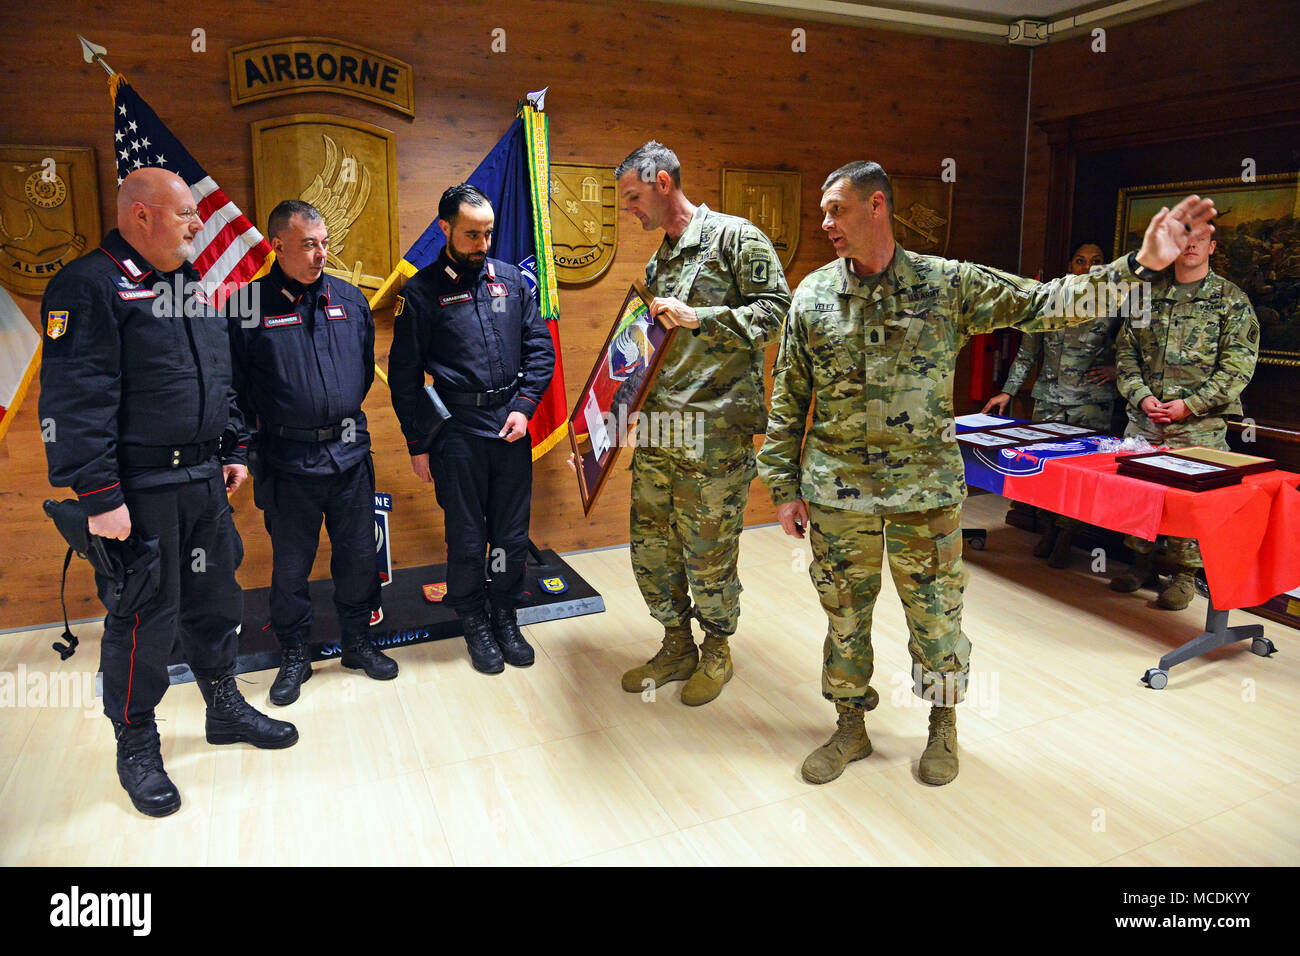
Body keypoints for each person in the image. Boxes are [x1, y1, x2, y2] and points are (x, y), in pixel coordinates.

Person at [758, 160, 1218, 786]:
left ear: (876, 207)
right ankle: (850, 726)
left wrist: (1139, 266)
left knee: (936, 613)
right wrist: (784, 488)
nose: (825, 222)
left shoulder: (945, 283)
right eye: (823, 210)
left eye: (836, 208)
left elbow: (1047, 303)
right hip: (838, 493)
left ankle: (943, 726)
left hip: (924, 493)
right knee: (843, 614)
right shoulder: (812, 294)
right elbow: (788, 395)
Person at [38, 167, 297, 818]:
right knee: (144, 621)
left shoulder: (193, 288)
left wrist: (232, 448)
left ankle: (224, 708)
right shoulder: (89, 286)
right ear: (141, 216)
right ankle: (136, 739)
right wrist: (99, 495)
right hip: (138, 488)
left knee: (216, 600)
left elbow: (220, 377)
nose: (196, 225)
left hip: (203, 482)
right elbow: (75, 401)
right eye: (185, 214)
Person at [612, 141, 791, 705]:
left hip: (715, 432)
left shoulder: (736, 239)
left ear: (664, 183)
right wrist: (606, 425)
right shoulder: (657, 261)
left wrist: (702, 317)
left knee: (708, 550)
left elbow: (778, 311)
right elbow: (639, 352)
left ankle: (716, 650)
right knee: (651, 545)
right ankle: (675, 642)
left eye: (634, 197)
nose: (630, 211)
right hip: (663, 431)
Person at [231, 200, 397, 706]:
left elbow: (363, 372)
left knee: (357, 557)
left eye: (324, 242)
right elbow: (235, 390)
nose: (320, 253)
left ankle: (358, 642)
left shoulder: (349, 299)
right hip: (287, 463)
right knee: (290, 568)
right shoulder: (247, 307)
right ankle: (295, 655)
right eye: (308, 244)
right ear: (277, 245)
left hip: (349, 457)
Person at [388, 184, 554, 674]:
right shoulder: (420, 292)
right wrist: (417, 444)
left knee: (508, 532)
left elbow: (539, 351)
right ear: (445, 229)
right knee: (465, 536)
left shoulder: (512, 281)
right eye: (471, 235)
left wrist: (524, 408)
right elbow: (404, 377)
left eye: (487, 234)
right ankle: (473, 619)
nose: (482, 244)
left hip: (509, 426)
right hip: (456, 433)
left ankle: (503, 612)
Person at [1109, 232, 1259, 609]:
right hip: (1145, 423)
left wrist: (1190, 405)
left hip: (1198, 428)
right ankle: (1141, 563)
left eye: (1200, 240)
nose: (1191, 245)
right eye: (1183, 239)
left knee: (1191, 504)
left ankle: (1184, 575)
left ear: (1212, 247)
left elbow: (1238, 368)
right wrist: (1142, 397)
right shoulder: (1145, 295)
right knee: (1139, 496)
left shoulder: (1232, 301)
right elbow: (1125, 355)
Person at [982, 241, 1122, 567]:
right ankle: (1049, 529)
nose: (1087, 267)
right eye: (1080, 260)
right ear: (1071, 264)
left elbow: (1136, 346)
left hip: (1091, 401)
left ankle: (1067, 535)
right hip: (1048, 399)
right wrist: (1009, 391)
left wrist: (1117, 370)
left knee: (1081, 473)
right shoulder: (1051, 298)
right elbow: (1028, 350)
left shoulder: (1116, 300)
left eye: (1096, 261)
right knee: (1045, 469)